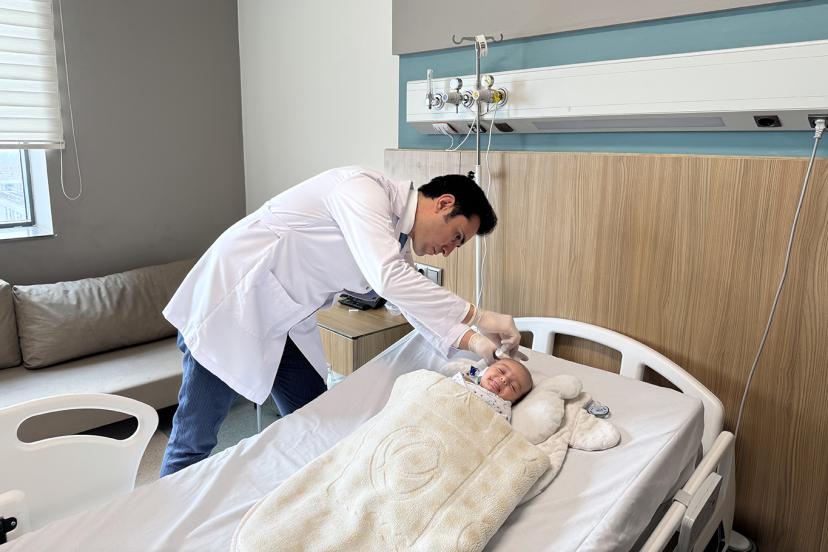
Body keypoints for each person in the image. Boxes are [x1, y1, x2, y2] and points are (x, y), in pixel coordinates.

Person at [159, 166, 523, 476]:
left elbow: (410, 302)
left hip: (283, 319)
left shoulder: (395, 239)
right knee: (195, 438)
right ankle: (157, 521)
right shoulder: (363, 190)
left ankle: (307, 494)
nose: (449, 250)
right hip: (232, 303)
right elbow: (388, 278)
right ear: (444, 203)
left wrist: (475, 340)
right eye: (457, 237)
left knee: (320, 421)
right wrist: (480, 316)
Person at [451, 358, 534, 422]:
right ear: (488, 368)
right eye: (501, 370)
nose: (504, 379)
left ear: (514, 401)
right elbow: (475, 370)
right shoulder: (476, 378)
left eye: (513, 387)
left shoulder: (503, 407)